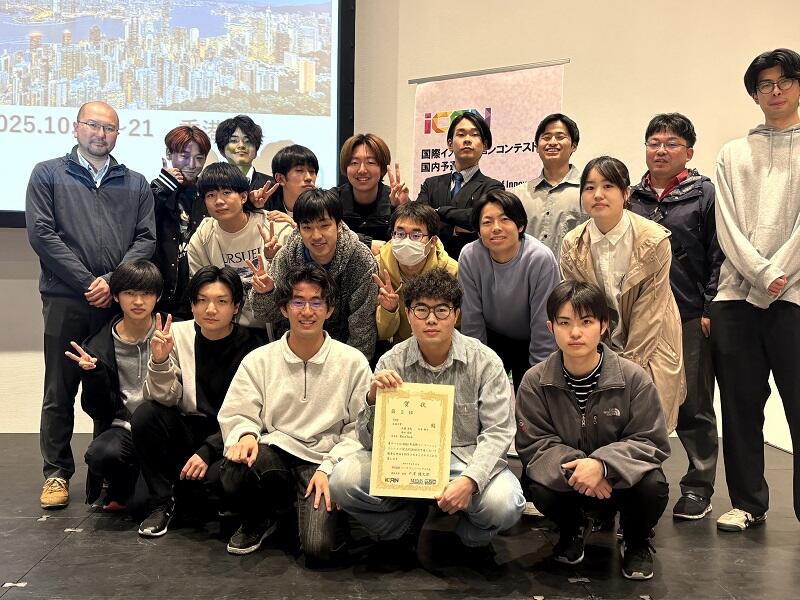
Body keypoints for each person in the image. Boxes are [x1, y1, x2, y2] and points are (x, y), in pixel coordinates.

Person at [329, 269, 525, 556]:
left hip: (464, 459)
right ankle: (403, 525)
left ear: (456, 314)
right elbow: (369, 443)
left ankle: (466, 538)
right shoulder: (391, 361)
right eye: (421, 310)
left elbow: (498, 432)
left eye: (441, 310)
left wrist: (470, 480)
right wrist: (373, 400)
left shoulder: (485, 362)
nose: (431, 319)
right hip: (405, 460)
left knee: (505, 504)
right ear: (408, 314)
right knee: (342, 481)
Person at [26, 100, 156, 509]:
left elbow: (146, 238)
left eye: (109, 128)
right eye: (93, 125)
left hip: (113, 301)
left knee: (107, 388)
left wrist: (113, 282)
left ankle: (104, 479)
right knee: (59, 388)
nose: (101, 134)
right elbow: (41, 234)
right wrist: (87, 282)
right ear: (76, 127)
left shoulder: (135, 183)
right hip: (66, 298)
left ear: (117, 134)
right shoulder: (48, 173)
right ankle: (56, 474)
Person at [515, 280, 670, 580]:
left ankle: (636, 540)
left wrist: (603, 465)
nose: (575, 332)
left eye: (586, 322)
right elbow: (535, 445)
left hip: (619, 482)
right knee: (537, 484)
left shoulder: (633, 378)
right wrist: (581, 467)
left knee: (653, 486)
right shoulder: (535, 382)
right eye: (564, 323)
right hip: (570, 483)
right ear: (551, 328)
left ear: (603, 326)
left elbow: (650, 440)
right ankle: (572, 529)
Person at [218, 264, 371, 562]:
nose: (307, 311)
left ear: (330, 310)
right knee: (237, 467)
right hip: (275, 453)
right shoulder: (259, 359)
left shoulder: (352, 362)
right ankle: (262, 516)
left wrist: (330, 467)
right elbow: (238, 411)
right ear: (284, 308)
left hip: (322, 460)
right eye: (298, 302)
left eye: (317, 302)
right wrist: (246, 434)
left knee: (319, 549)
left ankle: (310, 516)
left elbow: (358, 428)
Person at [712, 48, 800, 530]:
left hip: (794, 297)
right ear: (754, 94)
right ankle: (748, 503)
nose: (775, 90)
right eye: (765, 84)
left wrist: (775, 275)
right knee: (740, 408)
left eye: (785, 80)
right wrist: (763, 275)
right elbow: (726, 226)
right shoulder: (733, 153)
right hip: (735, 299)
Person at [628, 113, 724, 521]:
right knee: (633, 401)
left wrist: (708, 307)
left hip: (687, 314)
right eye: (654, 142)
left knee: (694, 402)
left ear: (689, 151)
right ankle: (632, 482)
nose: (661, 150)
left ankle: (698, 487)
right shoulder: (631, 195)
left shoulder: (703, 194)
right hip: (638, 316)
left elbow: (719, 253)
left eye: (671, 143)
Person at [132, 266, 264, 537]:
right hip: (188, 428)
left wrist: (208, 450)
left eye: (221, 301)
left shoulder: (254, 345)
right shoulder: (175, 335)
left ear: (236, 307)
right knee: (145, 414)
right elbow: (163, 398)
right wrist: (160, 361)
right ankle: (162, 503)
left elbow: (255, 412)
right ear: (192, 305)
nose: (210, 309)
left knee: (215, 484)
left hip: (228, 436)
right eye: (202, 300)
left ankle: (196, 497)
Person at [560, 156, 685, 433]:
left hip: (650, 342)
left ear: (626, 192)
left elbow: (650, 311)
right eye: (589, 187)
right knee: (598, 427)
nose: (598, 195)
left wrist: (626, 369)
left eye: (608, 186)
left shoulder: (654, 240)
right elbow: (579, 307)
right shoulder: (572, 243)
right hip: (598, 344)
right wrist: (598, 357)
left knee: (646, 426)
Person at [66, 260, 162, 511]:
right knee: (101, 454)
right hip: (124, 427)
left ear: (158, 297)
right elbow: (97, 410)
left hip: (162, 427)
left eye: (146, 293)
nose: (138, 301)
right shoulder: (97, 345)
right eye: (130, 293)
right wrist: (94, 375)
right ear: (116, 296)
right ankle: (126, 481)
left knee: (142, 505)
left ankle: (142, 485)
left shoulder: (173, 333)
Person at [249, 189, 378, 360]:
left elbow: (362, 328)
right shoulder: (287, 256)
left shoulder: (361, 260)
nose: (316, 236)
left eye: (324, 225)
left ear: (339, 225)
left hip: (342, 353)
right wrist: (266, 293)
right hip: (294, 351)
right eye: (307, 227)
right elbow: (266, 315)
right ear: (299, 229)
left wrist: (350, 367)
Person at [459, 190, 559, 391]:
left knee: (530, 398)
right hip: (491, 336)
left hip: (531, 338)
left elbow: (543, 323)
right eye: (487, 222)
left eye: (505, 219)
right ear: (478, 231)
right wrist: (477, 370)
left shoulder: (540, 258)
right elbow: (471, 319)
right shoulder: (470, 256)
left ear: (520, 225)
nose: (496, 228)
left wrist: (539, 378)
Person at [188, 162, 291, 340]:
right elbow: (200, 290)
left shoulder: (276, 228)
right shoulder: (202, 239)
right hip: (227, 332)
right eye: (211, 195)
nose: (219, 201)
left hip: (277, 329)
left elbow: (295, 287)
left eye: (226, 193)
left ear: (243, 197)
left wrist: (274, 259)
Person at [414, 111, 504, 257]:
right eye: (461, 134)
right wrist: (455, 227)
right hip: (430, 264)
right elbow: (420, 221)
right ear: (450, 144)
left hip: (474, 264)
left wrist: (439, 211)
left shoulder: (493, 187)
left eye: (475, 135)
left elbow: (477, 220)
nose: (467, 140)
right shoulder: (430, 184)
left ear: (485, 145)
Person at [373, 202, 458, 345]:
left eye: (416, 235)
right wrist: (389, 310)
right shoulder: (377, 268)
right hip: (394, 348)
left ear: (432, 241)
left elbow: (458, 326)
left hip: (438, 348)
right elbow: (380, 334)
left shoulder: (451, 271)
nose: (406, 242)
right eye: (400, 234)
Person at [151, 125, 211, 320]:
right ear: (169, 154)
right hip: (159, 297)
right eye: (184, 156)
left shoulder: (209, 194)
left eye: (199, 158)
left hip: (199, 298)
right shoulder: (154, 190)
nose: (192, 164)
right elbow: (140, 225)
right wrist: (164, 186)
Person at [511, 113, 585, 262]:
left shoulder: (588, 192)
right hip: (527, 275)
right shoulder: (518, 194)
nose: (552, 142)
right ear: (537, 147)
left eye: (560, 137)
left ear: (574, 145)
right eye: (546, 137)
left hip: (570, 277)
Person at [335, 133, 403, 254]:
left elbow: (414, 236)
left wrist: (400, 207)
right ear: (345, 167)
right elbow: (321, 234)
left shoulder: (394, 197)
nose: (362, 170)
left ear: (382, 168)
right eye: (354, 163)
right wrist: (367, 243)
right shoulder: (333, 200)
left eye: (370, 162)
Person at [259, 144, 319, 227]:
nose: (309, 178)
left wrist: (293, 225)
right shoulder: (266, 203)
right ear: (280, 178)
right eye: (299, 170)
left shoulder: (323, 205)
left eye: (312, 171)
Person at [215, 114, 273, 190]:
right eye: (234, 141)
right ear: (222, 151)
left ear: (256, 151)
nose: (241, 145)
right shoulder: (212, 185)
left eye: (247, 141)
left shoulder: (272, 186)